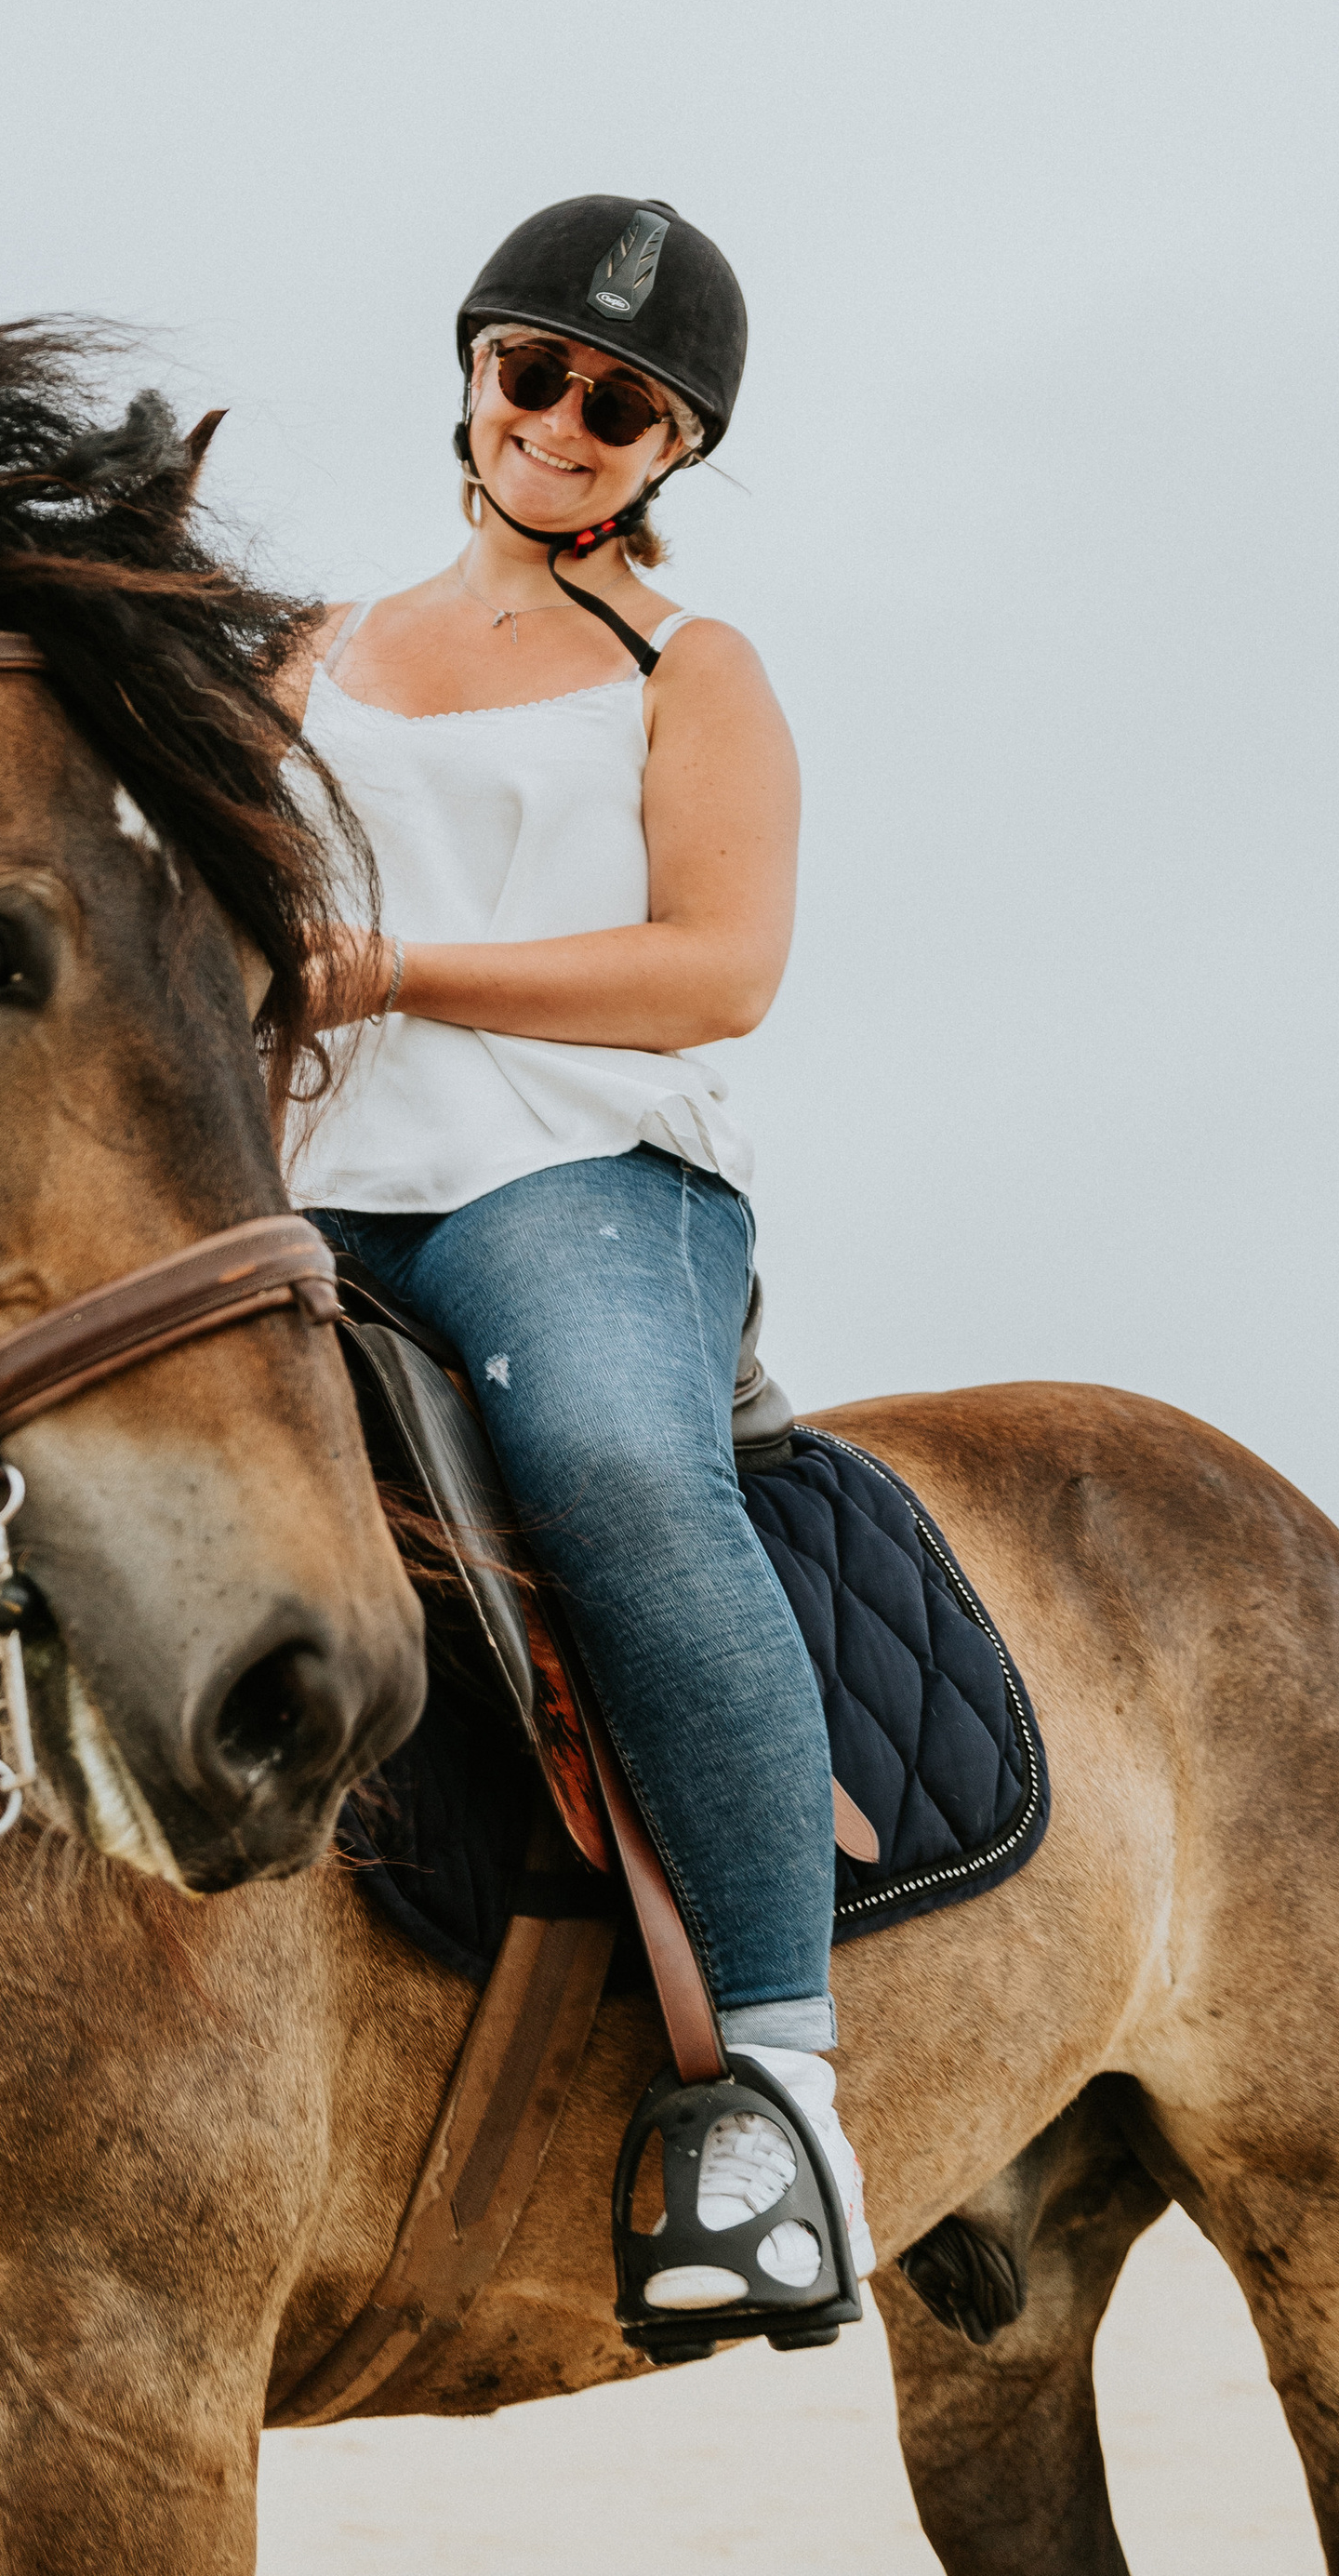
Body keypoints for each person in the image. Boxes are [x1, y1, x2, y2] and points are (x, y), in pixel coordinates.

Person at [287, 193, 874, 2309]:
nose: (558, 421)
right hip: (302, 1178)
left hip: (576, 1173)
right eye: (530, 371)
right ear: (470, 372)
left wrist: (397, 972)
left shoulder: (685, 670)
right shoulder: (309, 653)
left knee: (621, 1476)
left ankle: (781, 2105)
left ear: (668, 452)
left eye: (615, 404)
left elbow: (717, 968)